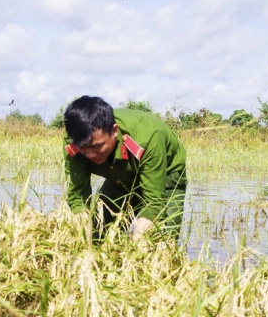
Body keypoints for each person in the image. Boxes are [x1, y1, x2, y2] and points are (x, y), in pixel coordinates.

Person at [63, 96, 187, 243]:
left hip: (165, 176)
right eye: (83, 148)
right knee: (99, 235)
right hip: (119, 178)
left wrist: (137, 243)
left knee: (162, 243)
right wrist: (85, 246)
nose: (90, 154)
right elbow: (78, 198)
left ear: (114, 131)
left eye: (96, 146)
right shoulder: (74, 141)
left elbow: (155, 202)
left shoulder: (148, 137)